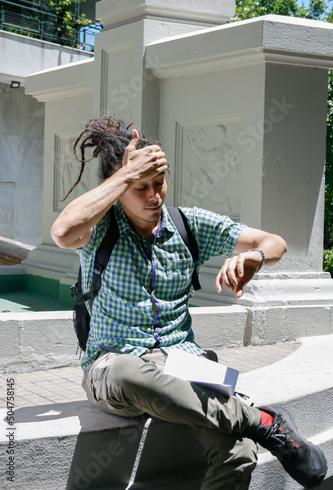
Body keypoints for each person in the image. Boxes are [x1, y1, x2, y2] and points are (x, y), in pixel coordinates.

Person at [51, 116, 327, 489]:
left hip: (185, 363)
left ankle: (251, 426)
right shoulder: (100, 228)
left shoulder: (188, 225)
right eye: (140, 187)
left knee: (241, 453)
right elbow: (62, 232)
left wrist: (254, 258)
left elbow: (274, 242)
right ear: (117, 188)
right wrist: (123, 177)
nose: (153, 196)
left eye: (159, 183)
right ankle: (262, 421)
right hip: (114, 366)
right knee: (131, 371)